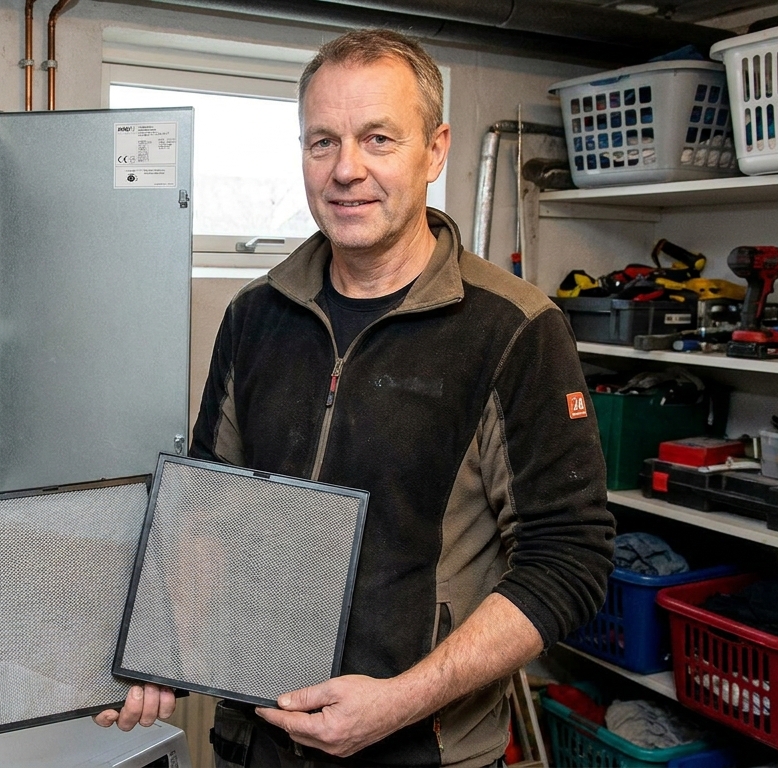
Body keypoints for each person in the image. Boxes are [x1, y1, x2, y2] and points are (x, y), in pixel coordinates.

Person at [96, 28, 614, 768]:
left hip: (420, 749)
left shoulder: (514, 330)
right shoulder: (256, 316)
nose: (346, 170)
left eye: (378, 139)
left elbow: (571, 560)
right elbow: (205, 512)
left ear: (434, 150)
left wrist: (399, 699)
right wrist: (156, 647)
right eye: (321, 142)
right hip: (256, 740)